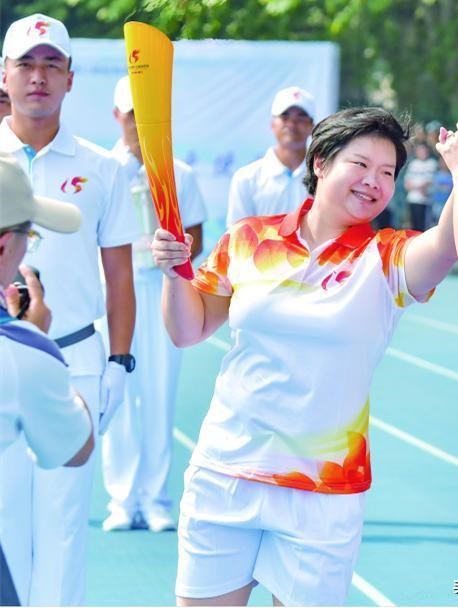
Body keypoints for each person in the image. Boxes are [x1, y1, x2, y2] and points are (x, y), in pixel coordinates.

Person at [152, 107, 458, 606]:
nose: (375, 182)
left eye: (388, 173)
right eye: (361, 164)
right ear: (321, 162)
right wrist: (174, 271)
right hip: (226, 473)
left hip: (323, 492)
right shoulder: (249, 238)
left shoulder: (387, 257)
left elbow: (448, 245)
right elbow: (188, 329)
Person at [0, 13, 138, 606]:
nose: (38, 77)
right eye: (26, 65)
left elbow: (120, 273)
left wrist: (119, 362)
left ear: (70, 79)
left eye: (51, 65)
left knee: (60, 535)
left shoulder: (102, 168)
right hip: (4, 359)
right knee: (6, 530)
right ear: (4, 76)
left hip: (73, 360)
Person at [101, 75, 207, 533]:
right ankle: (122, 500)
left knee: (160, 394)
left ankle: (157, 497)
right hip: (114, 294)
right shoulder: (100, 169)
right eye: (131, 117)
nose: (138, 126)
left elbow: (197, 232)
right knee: (118, 393)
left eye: (147, 118)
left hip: (160, 290)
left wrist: (173, 258)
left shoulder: (178, 173)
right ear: (117, 117)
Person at [0, 151, 94, 604]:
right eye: (28, 235)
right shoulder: (23, 352)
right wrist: (37, 338)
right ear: (4, 247)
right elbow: (76, 447)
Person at [225, 85, 315, 227]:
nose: (292, 124)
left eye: (301, 118)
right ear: (272, 124)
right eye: (285, 117)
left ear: (312, 126)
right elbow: (237, 238)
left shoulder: (324, 177)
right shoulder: (246, 178)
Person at [404, 141, 438, 231]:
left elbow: (429, 182)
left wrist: (415, 187)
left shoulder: (432, 163)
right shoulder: (413, 164)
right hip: (412, 199)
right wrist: (418, 187)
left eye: (423, 150)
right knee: (414, 226)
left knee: (424, 227)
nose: (421, 152)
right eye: (419, 150)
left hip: (425, 201)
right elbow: (407, 183)